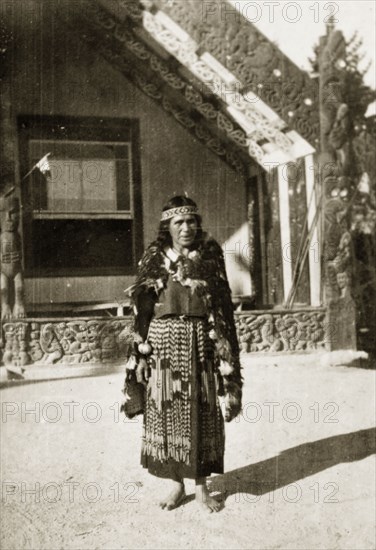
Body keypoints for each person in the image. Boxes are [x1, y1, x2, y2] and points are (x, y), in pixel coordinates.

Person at [125, 195, 242, 512]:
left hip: (198, 341)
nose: (186, 227)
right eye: (179, 222)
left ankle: (202, 487)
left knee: (202, 411)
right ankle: (176, 484)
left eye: (191, 221)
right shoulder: (154, 256)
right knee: (164, 411)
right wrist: (138, 356)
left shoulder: (210, 253)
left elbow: (222, 305)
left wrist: (226, 355)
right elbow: (143, 312)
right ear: (168, 226)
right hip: (162, 343)